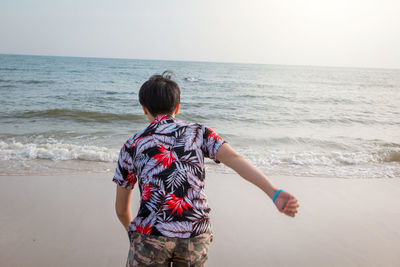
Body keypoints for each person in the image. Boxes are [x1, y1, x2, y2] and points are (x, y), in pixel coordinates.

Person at [112, 71, 299, 267]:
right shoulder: (199, 132)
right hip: (196, 233)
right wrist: (273, 192)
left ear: (144, 108)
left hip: (150, 234)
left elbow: (121, 209)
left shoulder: (132, 144)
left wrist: (133, 233)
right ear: (177, 106)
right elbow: (235, 159)